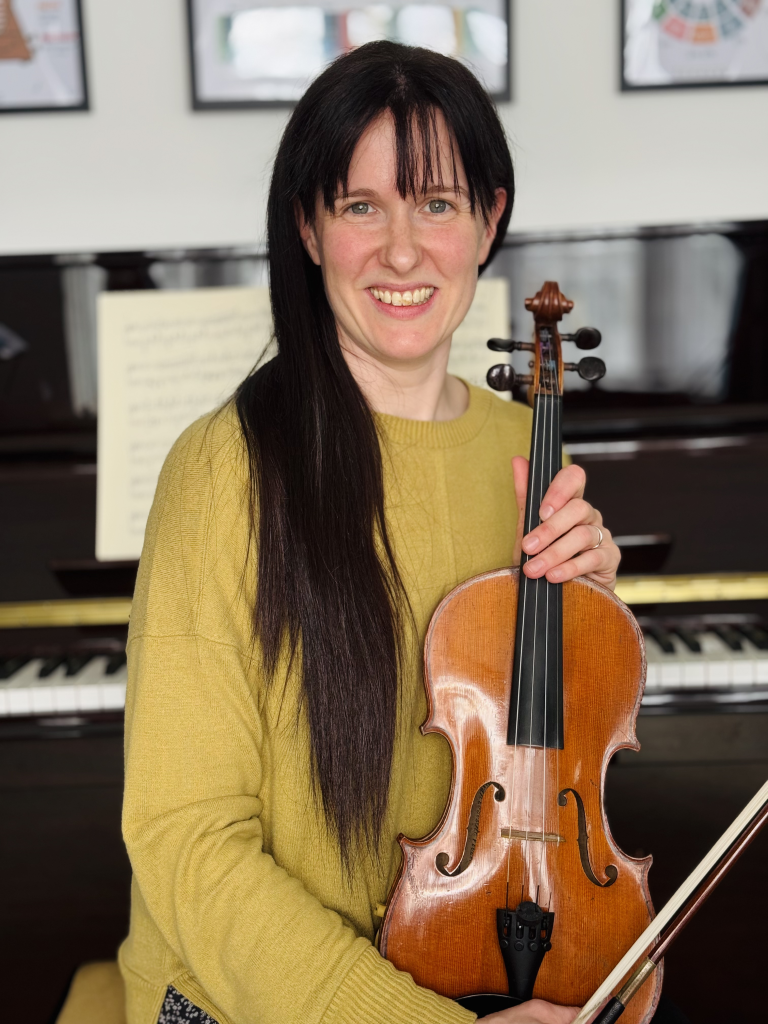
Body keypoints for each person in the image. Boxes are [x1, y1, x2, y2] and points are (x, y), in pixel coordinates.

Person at [119, 41, 621, 1024]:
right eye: (361, 206)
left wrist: (597, 611)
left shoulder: (528, 446)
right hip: (253, 1000)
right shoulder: (224, 469)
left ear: (490, 220)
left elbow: (545, 775)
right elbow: (185, 838)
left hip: (479, 956)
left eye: (436, 203)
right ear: (310, 229)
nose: (402, 249)